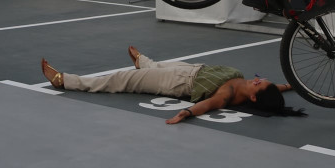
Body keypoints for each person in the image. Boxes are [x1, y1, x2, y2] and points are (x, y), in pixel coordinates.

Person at [40, 46, 304, 123]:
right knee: (158, 64)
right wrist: (290, 85)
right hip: (194, 70)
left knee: (121, 80)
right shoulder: (250, 87)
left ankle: (66, 81)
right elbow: (275, 90)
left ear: (254, 98)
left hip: (179, 83)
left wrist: (184, 113)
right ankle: (144, 62)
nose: (258, 79)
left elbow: (208, 104)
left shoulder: (229, 93)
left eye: (259, 84)